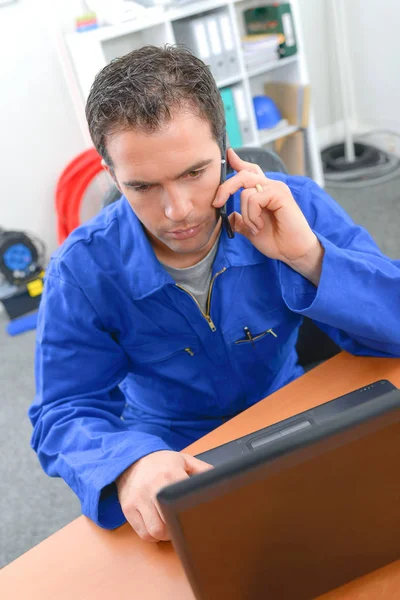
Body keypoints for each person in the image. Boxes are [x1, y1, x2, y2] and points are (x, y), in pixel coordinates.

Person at [29, 45, 400, 543]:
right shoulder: (82, 269)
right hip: (175, 457)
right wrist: (130, 464)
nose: (177, 210)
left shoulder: (297, 205)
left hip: (294, 417)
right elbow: (63, 410)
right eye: (142, 186)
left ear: (226, 149)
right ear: (111, 173)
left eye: (193, 172)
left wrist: (308, 255)